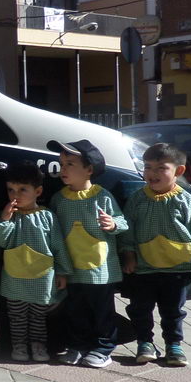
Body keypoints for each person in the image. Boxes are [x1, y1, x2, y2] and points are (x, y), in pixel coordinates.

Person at [121, 142, 191, 367]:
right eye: (148, 167)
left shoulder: (186, 201)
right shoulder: (137, 199)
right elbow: (128, 230)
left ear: (179, 171)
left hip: (178, 269)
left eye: (161, 168)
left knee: (173, 311)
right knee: (140, 308)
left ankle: (174, 345)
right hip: (144, 268)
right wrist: (129, 255)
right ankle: (144, 342)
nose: (152, 174)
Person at [47, 140, 127, 369]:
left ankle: (103, 349)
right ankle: (77, 346)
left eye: (70, 164)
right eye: (61, 164)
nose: (63, 169)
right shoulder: (59, 199)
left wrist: (112, 224)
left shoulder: (103, 197)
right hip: (71, 268)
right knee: (74, 311)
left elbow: (123, 223)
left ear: (89, 169)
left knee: (102, 312)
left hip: (100, 270)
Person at [0, 162, 72, 362]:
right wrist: (4, 220)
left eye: (22, 190)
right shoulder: (10, 217)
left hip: (41, 278)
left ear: (38, 191)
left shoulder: (47, 217)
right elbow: (1, 241)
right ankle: (19, 346)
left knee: (38, 315)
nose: (15, 195)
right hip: (14, 278)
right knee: (17, 315)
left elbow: (58, 247)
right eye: (11, 189)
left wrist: (62, 271)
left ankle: (38, 345)